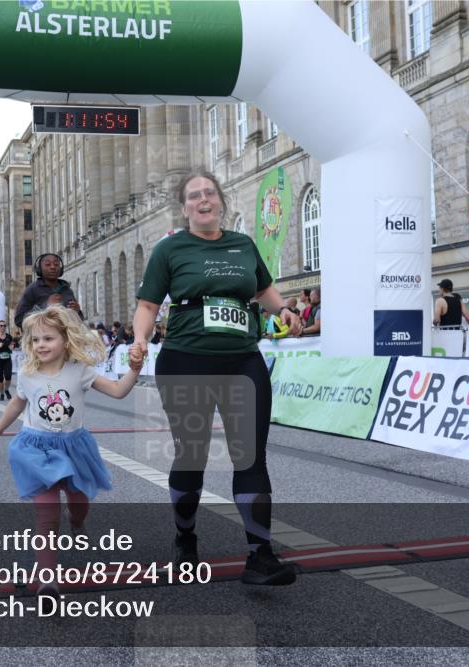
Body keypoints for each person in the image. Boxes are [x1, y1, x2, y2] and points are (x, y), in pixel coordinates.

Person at [131, 169, 302, 586]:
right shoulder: (169, 249)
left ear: (221, 200)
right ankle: (185, 537)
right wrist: (139, 338)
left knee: (251, 456)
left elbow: (263, 290)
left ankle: (260, 556)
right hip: (187, 360)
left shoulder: (243, 245)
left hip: (243, 359)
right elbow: (149, 304)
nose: (203, 200)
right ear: (185, 207)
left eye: (209, 193)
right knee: (193, 456)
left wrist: (282, 311)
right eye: (194, 196)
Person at [0, 305, 144, 602]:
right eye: (35, 340)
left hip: (74, 447)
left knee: (79, 503)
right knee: (46, 517)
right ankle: (48, 582)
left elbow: (119, 391)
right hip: (36, 449)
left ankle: (78, 521)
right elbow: (17, 404)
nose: (40, 345)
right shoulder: (28, 374)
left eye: (48, 338)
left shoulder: (80, 372)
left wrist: (133, 371)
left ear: (65, 340)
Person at [13, 253, 83, 329]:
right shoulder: (32, 289)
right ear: (39, 269)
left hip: (65, 337)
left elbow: (79, 321)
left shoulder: (67, 289)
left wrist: (77, 311)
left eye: (56, 264)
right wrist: (45, 306)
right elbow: (19, 320)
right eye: (47, 264)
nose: (53, 267)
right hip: (43, 337)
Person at [0, 321, 15, 401]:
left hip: (7, 360)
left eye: (4, 326)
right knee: (0, 379)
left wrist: (11, 347)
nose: (3, 327)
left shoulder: (9, 336)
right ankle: (1, 394)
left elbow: (12, 345)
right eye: (1, 325)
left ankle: (6, 389)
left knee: (8, 376)